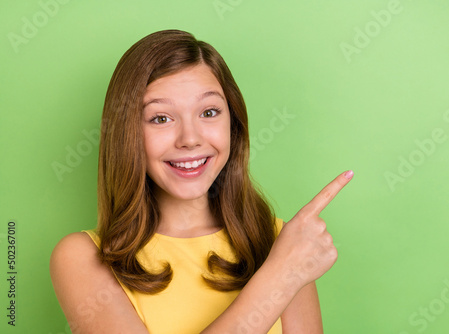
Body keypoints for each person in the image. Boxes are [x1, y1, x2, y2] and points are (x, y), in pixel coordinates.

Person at [49, 29, 354, 334]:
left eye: (209, 112)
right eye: (160, 118)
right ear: (128, 133)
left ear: (233, 125)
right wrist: (281, 276)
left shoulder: (282, 242)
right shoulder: (82, 258)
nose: (190, 139)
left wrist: (287, 264)